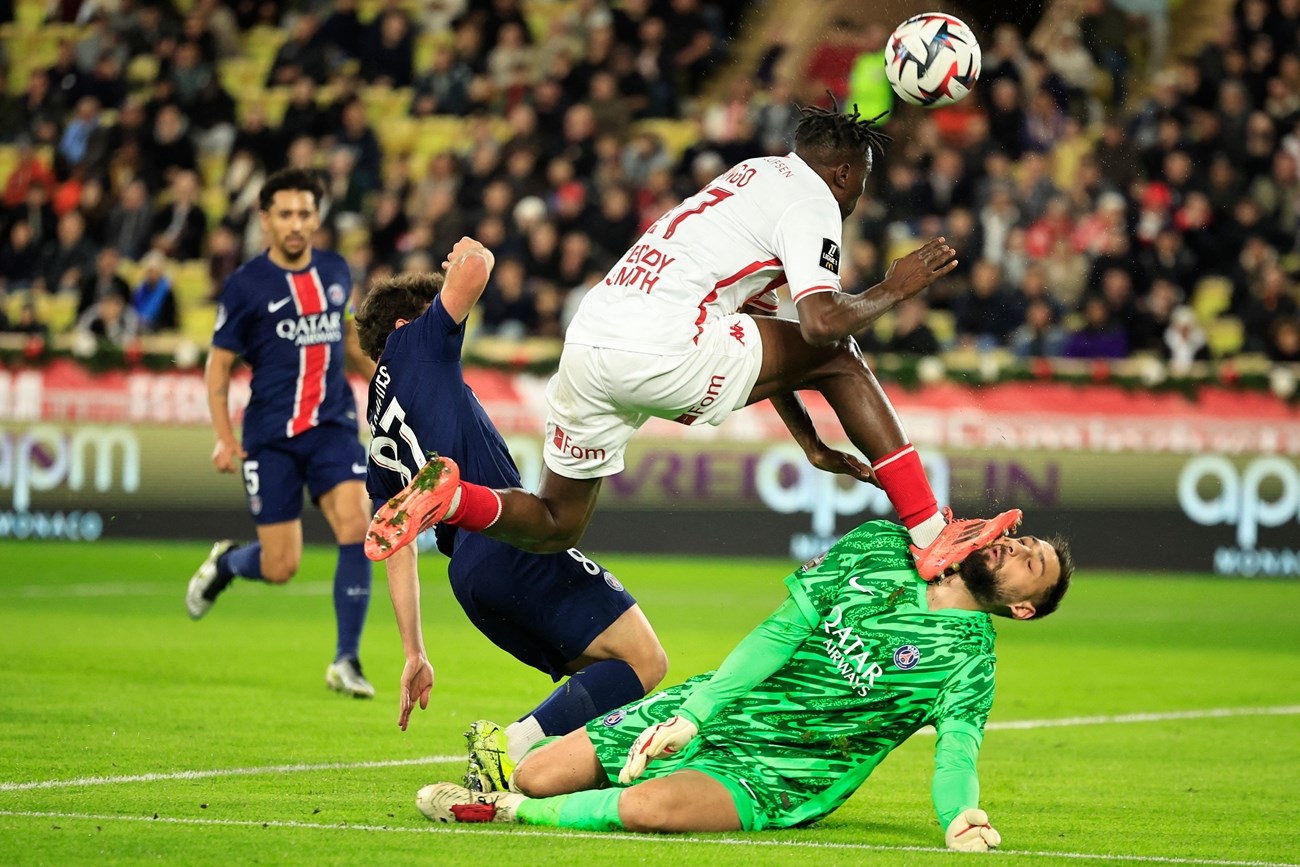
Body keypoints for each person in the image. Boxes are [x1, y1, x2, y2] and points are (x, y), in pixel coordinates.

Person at [366, 103, 1020, 581]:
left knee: (557, 519)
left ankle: (450, 498)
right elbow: (819, 327)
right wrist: (895, 286)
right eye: (863, 182)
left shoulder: (756, 175)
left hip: (592, 336)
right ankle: (931, 532)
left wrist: (811, 442)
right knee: (842, 358)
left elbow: (772, 330)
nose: (859, 197)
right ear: (844, 173)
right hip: (665, 339)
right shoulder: (816, 202)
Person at [415, 518, 1073, 852]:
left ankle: (505, 812)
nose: (1016, 547)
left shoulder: (970, 661)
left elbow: (956, 747)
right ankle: (533, 790)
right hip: (717, 707)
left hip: (780, 771)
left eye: (1032, 561)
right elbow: (780, 632)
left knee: (646, 810)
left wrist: (958, 815)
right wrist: (694, 715)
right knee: (538, 771)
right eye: (1021, 539)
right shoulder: (881, 544)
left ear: (1022, 608)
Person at [353, 236, 668, 791]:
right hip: (504, 537)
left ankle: (589, 766)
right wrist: (461, 256)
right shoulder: (415, 344)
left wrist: (414, 651)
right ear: (404, 325)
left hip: (470, 580)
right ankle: (508, 747)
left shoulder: (379, 429)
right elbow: (476, 265)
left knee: (603, 671)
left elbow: (392, 541)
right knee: (646, 660)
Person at [186, 168, 379, 698]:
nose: (297, 224)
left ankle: (346, 659)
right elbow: (219, 368)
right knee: (280, 566)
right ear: (265, 219)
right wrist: (226, 438)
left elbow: (349, 343)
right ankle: (228, 562)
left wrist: (391, 386)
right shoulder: (246, 285)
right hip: (270, 435)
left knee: (356, 523)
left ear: (318, 218)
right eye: (286, 214)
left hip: (333, 427)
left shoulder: (337, 271)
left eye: (306, 214)